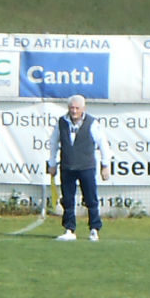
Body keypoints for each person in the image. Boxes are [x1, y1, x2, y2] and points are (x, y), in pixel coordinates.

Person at [46, 94, 106, 242]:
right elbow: (53, 143)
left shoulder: (92, 123)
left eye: (77, 108)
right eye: (71, 108)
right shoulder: (62, 122)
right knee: (68, 199)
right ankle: (69, 229)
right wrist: (52, 164)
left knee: (91, 199)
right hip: (67, 167)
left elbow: (103, 143)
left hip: (86, 166)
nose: (74, 111)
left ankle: (94, 229)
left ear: (83, 108)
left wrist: (105, 165)